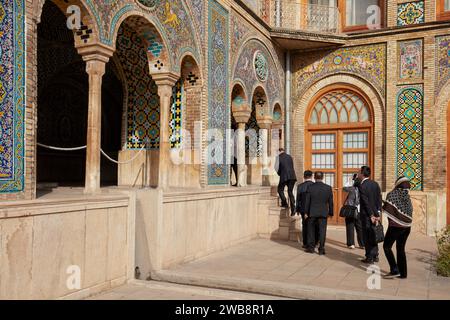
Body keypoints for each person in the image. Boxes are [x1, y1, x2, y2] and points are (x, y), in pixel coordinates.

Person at [382, 176, 413, 279]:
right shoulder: (407, 197)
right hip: (407, 227)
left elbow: (388, 208)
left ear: (397, 184)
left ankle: (394, 269)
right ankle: (403, 274)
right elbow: (406, 212)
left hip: (395, 227)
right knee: (400, 249)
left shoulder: (392, 194)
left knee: (386, 247)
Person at [304, 171, 334, 255]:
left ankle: (311, 248)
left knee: (311, 230)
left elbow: (307, 201)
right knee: (322, 231)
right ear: (322, 177)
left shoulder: (310, 187)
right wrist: (331, 213)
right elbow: (331, 202)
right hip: (323, 212)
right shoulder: (328, 188)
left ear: (314, 177)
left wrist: (306, 212)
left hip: (312, 212)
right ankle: (321, 249)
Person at [358, 166, 383, 264]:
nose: (358, 174)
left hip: (367, 215)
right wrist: (378, 212)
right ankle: (375, 254)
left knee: (367, 235)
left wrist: (371, 215)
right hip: (375, 213)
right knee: (374, 233)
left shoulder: (362, 186)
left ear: (362, 174)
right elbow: (379, 199)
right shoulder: (375, 184)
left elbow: (365, 202)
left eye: (359, 172)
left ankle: (369, 256)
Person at [295, 170, 318, 248]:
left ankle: (305, 243)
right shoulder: (315, 185)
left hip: (303, 209)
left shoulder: (300, 186)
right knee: (313, 226)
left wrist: (297, 209)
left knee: (305, 225)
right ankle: (313, 242)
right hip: (313, 209)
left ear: (304, 176)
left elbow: (298, 199)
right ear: (311, 176)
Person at [343, 174, 364, 249]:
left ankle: (351, 244)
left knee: (350, 226)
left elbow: (344, 188)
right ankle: (362, 244)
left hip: (350, 210)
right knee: (360, 227)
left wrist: (349, 180)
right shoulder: (363, 189)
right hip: (359, 210)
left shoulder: (351, 189)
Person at [275, 148, 297, 215]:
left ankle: (285, 203)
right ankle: (293, 209)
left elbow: (276, 168)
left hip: (284, 176)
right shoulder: (289, 156)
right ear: (284, 151)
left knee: (280, 190)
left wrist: (280, 174)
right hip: (292, 176)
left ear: (279, 151)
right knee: (290, 192)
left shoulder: (278, 157)